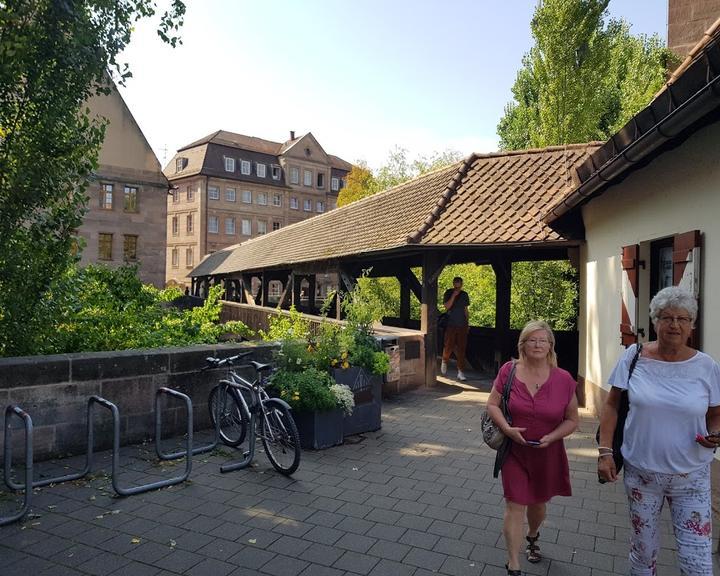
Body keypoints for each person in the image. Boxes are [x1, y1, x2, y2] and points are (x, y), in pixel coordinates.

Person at [598, 286, 720, 576]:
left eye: (682, 318)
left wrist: (715, 433)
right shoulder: (633, 357)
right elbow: (612, 406)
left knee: (697, 562)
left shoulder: (707, 367)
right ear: (655, 322)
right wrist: (604, 452)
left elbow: (716, 415)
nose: (674, 324)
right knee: (643, 553)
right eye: (666, 317)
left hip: (691, 476)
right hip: (642, 474)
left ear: (692, 324)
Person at [486, 320, 579, 576]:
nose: (537, 345)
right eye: (532, 340)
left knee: (537, 504)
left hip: (548, 454)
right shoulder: (509, 371)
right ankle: (513, 563)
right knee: (515, 504)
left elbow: (573, 420)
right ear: (523, 345)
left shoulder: (563, 379)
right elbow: (492, 404)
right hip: (514, 452)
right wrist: (506, 429)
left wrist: (553, 436)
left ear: (550, 346)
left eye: (543, 340)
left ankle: (533, 534)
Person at [441, 276, 470, 381]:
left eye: (459, 283)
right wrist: (453, 295)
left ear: (461, 284)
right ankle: (444, 361)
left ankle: (460, 372)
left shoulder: (464, 295)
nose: (458, 285)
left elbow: (465, 310)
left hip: (462, 324)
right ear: (453, 283)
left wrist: (467, 323)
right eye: (456, 283)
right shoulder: (448, 293)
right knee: (448, 346)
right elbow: (447, 306)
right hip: (451, 324)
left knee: (462, 349)